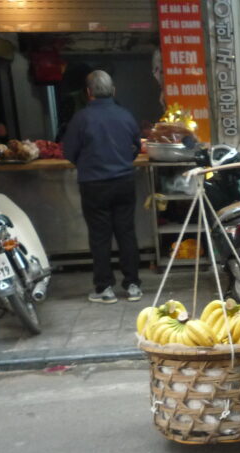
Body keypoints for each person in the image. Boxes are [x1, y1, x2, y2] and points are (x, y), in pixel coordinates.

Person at [62, 70, 143, 304]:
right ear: (113, 91)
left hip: (94, 185)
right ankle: (133, 285)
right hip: (124, 182)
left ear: (88, 93)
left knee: (100, 237)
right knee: (126, 233)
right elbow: (135, 147)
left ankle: (104, 288)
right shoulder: (125, 115)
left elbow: (69, 152)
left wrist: (88, 164)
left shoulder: (81, 118)